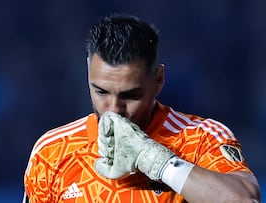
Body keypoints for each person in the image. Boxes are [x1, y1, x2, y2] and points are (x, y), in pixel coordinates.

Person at [22, 14, 261, 202]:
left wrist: (158, 161)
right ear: (87, 73)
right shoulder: (52, 152)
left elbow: (243, 200)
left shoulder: (200, 138)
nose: (114, 110)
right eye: (101, 91)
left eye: (131, 95)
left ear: (158, 81)